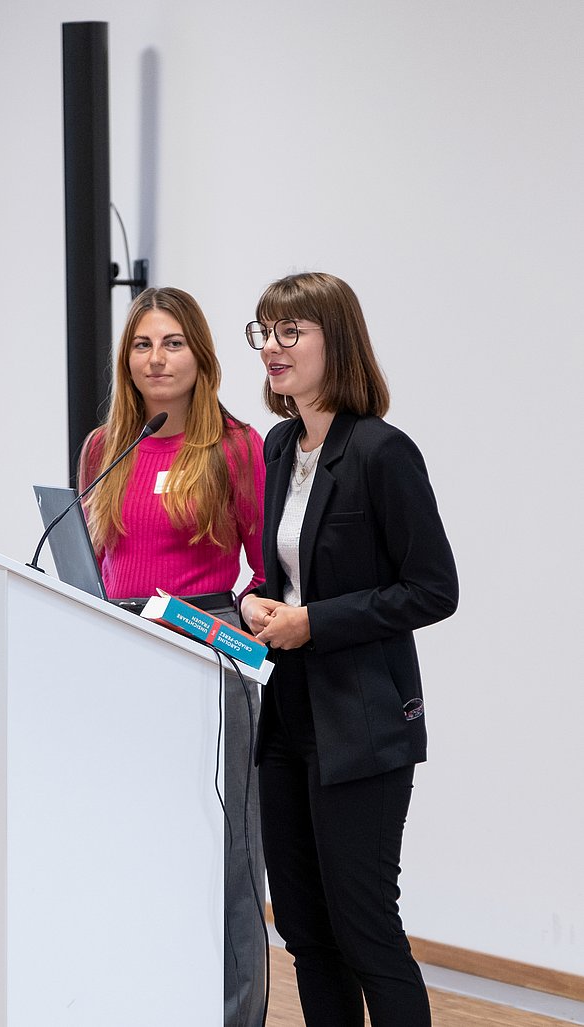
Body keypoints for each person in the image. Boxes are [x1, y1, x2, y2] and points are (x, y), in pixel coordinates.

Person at [240, 272, 459, 1027]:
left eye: (290, 331)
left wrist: (314, 622)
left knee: (366, 932)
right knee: (305, 932)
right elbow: (286, 572)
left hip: (362, 725)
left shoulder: (382, 452)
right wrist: (253, 598)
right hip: (288, 721)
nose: (271, 346)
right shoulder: (278, 447)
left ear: (338, 341)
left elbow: (433, 588)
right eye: (264, 330)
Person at [79, 287, 267, 1027]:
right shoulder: (106, 446)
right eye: (142, 345)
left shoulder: (236, 445)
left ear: (201, 356)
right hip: (122, 657)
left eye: (173, 343)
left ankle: (234, 1015)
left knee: (227, 858)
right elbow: (98, 561)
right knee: (134, 846)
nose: (156, 359)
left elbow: (270, 573)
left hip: (208, 658)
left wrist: (233, 626)